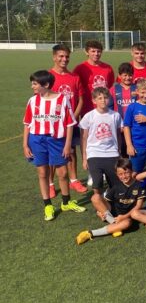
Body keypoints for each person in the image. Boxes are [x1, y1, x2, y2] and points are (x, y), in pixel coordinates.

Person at [23, 70, 85, 221]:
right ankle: (48, 205)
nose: (32, 86)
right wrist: (25, 145)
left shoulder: (62, 99)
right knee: (42, 173)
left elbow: (69, 124)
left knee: (62, 173)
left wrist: (68, 144)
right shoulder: (33, 101)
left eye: (35, 84)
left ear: (46, 84)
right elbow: (27, 123)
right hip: (37, 140)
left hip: (57, 140)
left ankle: (66, 203)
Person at [75, 157, 146, 244]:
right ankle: (114, 223)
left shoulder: (139, 186)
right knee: (95, 197)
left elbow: (138, 206)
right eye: (120, 174)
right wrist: (100, 212)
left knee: (126, 224)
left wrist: (123, 217)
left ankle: (90, 233)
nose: (124, 176)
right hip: (112, 215)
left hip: (128, 217)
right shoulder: (116, 186)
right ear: (117, 174)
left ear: (131, 171)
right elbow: (105, 201)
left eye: (126, 172)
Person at [48, 43, 86, 194]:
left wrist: (72, 119)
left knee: (71, 150)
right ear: (54, 57)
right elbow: (43, 100)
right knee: (53, 153)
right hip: (53, 124)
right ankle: (50, 184)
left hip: (72, 122)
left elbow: (81, 100)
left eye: (67, 56)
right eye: (61, 56)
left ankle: (74, 181)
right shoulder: (48, 76)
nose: (64, 59)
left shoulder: (74, 77)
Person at [79, 87, 122, 209]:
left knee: (114, 182)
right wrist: (84, 158)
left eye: (105, 98)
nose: (103, 100)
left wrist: (118, 151)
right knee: (97, 183)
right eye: (100, 98)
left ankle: (113, 204)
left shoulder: (115, 115)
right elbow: (84, 138)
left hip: (112, 153)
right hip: (94, 154)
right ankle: (100, 206)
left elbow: (118, 135)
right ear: (94, 100)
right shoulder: (89, 116)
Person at [73, 40, 115, 114]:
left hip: (104, 108)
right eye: (93, 51)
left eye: (98, 51)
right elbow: (76, 89)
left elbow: (109, 86)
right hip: (87, 109)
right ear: (87, 52)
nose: (96, 54)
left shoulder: (108, 68)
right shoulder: (80, 68)